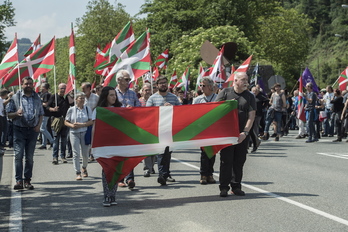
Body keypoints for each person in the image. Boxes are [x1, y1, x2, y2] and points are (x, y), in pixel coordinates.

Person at [215, 72, 256, 197]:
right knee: (226, 161)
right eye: (243, 80)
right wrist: (226, 106)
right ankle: (223, 187)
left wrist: (245, 132)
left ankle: (236, 186)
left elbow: (251, 115)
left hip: (242, 135)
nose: (246, 82)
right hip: (227, 134)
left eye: (247, 80)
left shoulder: (249, 96)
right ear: (235, 80)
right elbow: (215, 110)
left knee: (239, 161)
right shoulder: (225, 92)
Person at [7, 77, 44, 190]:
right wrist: (16, 113)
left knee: (29, 157)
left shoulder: (37, 97)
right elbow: (8, 114)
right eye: (26, 84)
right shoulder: (15, 97)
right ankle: (19, 181)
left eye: (30, 84)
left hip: (32, 130)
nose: (28, 85)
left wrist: (38, 125)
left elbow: (41, 113)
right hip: (19, 129)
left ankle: (27, 180)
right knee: (18, 155)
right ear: (22, 84)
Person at [146, 75, 181, 185]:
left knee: (168, 153)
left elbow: (181, 111)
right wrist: (161, 110)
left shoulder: (173, 98)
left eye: (164, 82)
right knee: (161, 152)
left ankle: (166, 174)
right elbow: (148, 114)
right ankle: (162, 175)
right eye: (161, 83)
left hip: (170, 130)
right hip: (158, 130)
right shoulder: (152, 98)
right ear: (157, 85)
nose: (163, 84)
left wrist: (172, 108)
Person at [92, 86, 122, 206]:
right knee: (106, 169)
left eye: (115, 94)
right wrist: (93, 145)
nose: (114, 97)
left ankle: (113, 195)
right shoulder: (98, 110)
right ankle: (106, 196)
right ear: (105, 96)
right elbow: (95, 128)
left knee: (115, 169)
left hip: (117, 144)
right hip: (103, 144)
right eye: (111, 95)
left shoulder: (120, 109)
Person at [115, 69, 140, 188]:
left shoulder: (132, 94)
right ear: (119, 80)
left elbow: (139, 109)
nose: (129, 81)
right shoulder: (113, 93)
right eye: (126, 79)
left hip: (130, 128)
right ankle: (120, 178)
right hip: (118, 128)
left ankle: (130, 179)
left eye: (129, 79)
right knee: (120, 155)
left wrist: (132, 109)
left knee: (130, 154)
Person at [192, 77, 217, 184]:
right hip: (202, 129)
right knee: (204, 152)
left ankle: (210, 174)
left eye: (204, 85)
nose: (201, 88)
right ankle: (203, 174)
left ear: (210, 87)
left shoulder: (218, 98)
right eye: (201, 85)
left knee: (213, 152)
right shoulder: (197, 100)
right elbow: (193, 114)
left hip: (214, 129)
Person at [65, 92, 93, 180]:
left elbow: (91, 121)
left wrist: (82, 125)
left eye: (83, 98)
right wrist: (72, 125)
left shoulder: (87, 109)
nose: (82, 100)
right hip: (74, 133)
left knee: (85, 154)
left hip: (84, 132)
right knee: (76, 153)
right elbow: (66, 121)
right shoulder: (71, 109)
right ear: (76, 99)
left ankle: (84, 167)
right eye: (80, 98)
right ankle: (77, 172)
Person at [47, 83, 71, 164]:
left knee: (64, 140)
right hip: (56, 120)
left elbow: (73, 104)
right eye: (61, 88)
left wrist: (69, 95)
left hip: (65, 120)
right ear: (58, 89)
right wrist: (53, 109)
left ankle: (63, 156)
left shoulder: (67, 97)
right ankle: (55, 157)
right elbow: (47, 106)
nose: (63, 90)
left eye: (64, 88)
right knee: (56, 139)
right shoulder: (54, 97)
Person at [81, 82, 99, 162]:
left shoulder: (96, 97)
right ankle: (85, 154)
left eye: (84, 88)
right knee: (84, 139)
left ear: (89, 88)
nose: (82, 90)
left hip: (93, 121)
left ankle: (92, 154)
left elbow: (99, 108)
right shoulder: (81, 98)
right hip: (84, 121)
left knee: (93, 138)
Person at [38, 83, 54, 149]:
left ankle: (52, 141)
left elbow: (46, 104)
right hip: (42, 113)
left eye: (42, 87)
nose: (40, 88)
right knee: (43, 128)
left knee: (42, 128)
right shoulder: (41, 94)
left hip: (46, 113)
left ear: (45, 88)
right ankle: (44, 144)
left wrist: (39, 103)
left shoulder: (46, 94)